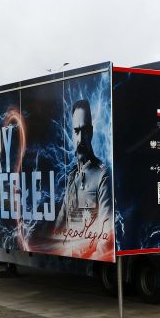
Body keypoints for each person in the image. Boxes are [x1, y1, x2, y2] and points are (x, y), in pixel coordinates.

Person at [57, 100, 112, 235]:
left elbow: (106, 234)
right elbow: (59, 226)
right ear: (72, 134)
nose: (81, 139)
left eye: (85, 131)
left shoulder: (102, 175)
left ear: (91, 132)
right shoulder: (71, 178)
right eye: (76, 131)